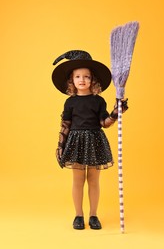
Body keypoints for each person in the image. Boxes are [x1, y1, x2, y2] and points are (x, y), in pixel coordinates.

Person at [52, 50, 128, 230]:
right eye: (77, 76)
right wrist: (60, 146)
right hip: (76, 143)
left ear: (93, 80)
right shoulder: (70, 102)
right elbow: (65, 125)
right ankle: (78, 215)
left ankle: (94, 215)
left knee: (94, 180)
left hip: (94, 141)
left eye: (86, 76)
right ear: (71, 80)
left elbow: (104, 122)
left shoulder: (98, 101)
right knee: (78, 180)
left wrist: (116, 113)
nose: (82, 79)